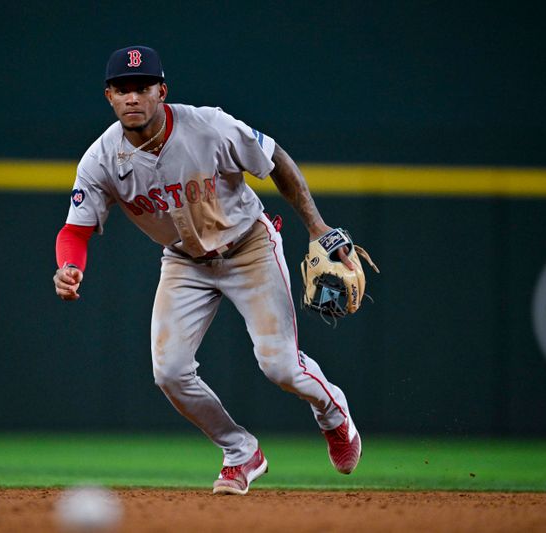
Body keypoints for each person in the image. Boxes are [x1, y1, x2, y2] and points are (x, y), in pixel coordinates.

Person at [54, 45, 361, 495]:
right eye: (122, 89)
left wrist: (316, 226)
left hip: (248, 246)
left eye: (142, 88)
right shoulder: (101, 159)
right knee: (170, 372)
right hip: (184, 261)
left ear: (162, 91)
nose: (132, 97)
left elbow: (275, 160)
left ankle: (334, 413)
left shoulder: (210, 126)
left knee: (279, 366)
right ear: (109, 96)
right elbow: (74, 232)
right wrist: (68, 266)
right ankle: (241, 452)